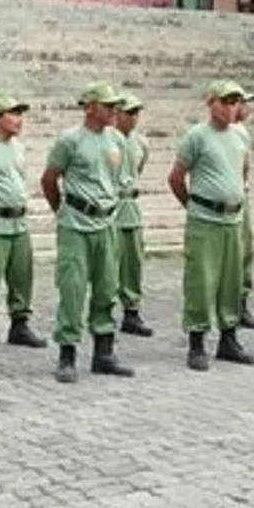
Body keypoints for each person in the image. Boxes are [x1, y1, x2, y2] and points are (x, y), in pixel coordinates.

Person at [40, 83, 134, 384]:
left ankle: (104, 352)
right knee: (72, 288)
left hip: (107, 223)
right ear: (90, 107)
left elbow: (119, 181)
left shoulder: (118, 139)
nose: (113, 111)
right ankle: (67, 354)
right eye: (107, 106)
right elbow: (49, 180)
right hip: (76, 223)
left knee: (108, 287)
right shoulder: (70, 140)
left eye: (115, 106)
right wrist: (64, 212)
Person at [168, 79, 254, 371]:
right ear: (211, 103)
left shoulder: (241, 136)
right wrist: (194, 205)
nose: (232, 108)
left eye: (236, 102)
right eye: (226, 102)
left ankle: (228, 339)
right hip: (204, 220)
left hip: (232, 219)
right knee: (201, 281)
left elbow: (242, 173)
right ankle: (197, 341)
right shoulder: (197, 136)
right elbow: (176, 177)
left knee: (231, 280)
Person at [0, 96, 46, 352]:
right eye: (12, 114)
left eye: (20, 114)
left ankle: (20, 323)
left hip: (19, 220)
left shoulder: (18, 147)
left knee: (22, 275)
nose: (18, 120)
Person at [113, 93, 154, 337]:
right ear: (116, 113)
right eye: (129, 112)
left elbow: (138, 168)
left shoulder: (141, 142)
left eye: (137, 113)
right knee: (109, 263)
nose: (134, 118)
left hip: (131, 204)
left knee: (133, 261)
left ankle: (131, 310)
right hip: (111, 205)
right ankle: (103, 310)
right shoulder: (109, 140)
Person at [232, 93, 254, 330]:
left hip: (241, 196)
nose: (246, 107)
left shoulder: (242, 132)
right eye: (241, 102)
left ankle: (241, 302)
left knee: (245, 250)